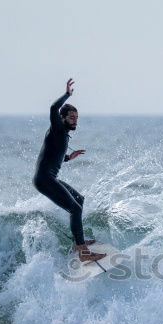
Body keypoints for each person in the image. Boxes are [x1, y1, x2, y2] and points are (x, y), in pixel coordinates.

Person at [33, 78, 106, 263]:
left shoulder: (63, 135)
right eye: (71, 118)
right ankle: (83, 253)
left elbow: (52, 155)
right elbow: (52, 108)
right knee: (74, 208)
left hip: (49, 177)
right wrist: (67, 95)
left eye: (76, 118)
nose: (75, 121)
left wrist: (67, 158)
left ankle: (76, 243)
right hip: (44, 179)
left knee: (79, 200)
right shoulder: (57, 127)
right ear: (62, 118)